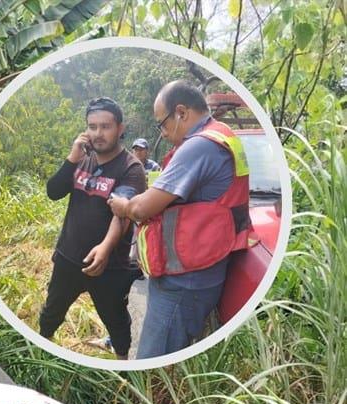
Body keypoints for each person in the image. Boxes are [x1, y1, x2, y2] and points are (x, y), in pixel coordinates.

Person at [108, 80, 253, 359]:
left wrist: (123, 205)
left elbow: (142, 209)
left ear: (182, 113)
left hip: (183, 282)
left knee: (154, 361)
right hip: (204, 268)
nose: (162, 132)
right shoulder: (223, 134)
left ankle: (149, 402)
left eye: (162, 124)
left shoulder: (198, 147)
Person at [39, 97, 146, 359]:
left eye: (105, 127)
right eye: (92, 127)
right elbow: (53, 192)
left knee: (117, 322)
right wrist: (72, 157)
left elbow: (121, 213)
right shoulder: (82, 160)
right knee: (51, 314)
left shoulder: (131, 168)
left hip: (109, 265)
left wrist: (106, 247)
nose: (98, 134)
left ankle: (123, 366)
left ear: (120, 128)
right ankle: (41, 352)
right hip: (68, 256)